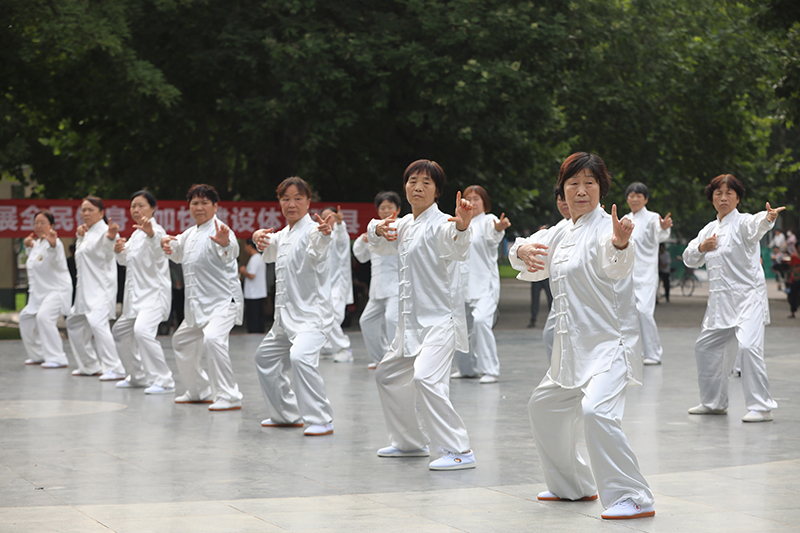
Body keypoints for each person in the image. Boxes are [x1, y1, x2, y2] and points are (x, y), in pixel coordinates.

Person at [509, 152, 655, 520]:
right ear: (563, 191)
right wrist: (522, 249)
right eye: (573, 183)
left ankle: (634, 496)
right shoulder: (560, 231)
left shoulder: (610, 227)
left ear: (601, 188)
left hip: (609, 347)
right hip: (571, 352)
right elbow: (521, 249)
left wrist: (621, 244)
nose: (581, 190)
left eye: (589, 182)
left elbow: (617, 263)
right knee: (543, 407)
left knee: (596, 412)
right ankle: (572, 485)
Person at [370, 159, 477, 471]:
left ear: (437, 192)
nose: (417, 187)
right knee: (386, 375)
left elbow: (456, 244)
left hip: (440, 322)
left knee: (426, 378)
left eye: (426, 183)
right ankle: (409, 442)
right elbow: (376, 243)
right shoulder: (403, 224)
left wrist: (463, 225)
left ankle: (459, 449)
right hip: (411, 325)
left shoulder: (443, 223)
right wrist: (376, 227)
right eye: (412, 181)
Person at [682, 174, 783, 423]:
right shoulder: (708, 229)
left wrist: (767, 218)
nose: (723, 197)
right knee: (705, 348)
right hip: (719, 303)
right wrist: (700, 248)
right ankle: (713, 402)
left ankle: (761, 406)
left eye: (729, 193)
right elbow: (688, 257)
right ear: (712, 198)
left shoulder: (744, 222)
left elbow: (756, 226)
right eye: (718, 193)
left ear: (738, 198)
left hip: (748, 299)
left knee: (748, 348)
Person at [252, 177, 337, 436]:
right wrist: (258, 237)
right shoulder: (283, 235)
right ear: (279, 203)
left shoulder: (313, 230)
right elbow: (267, 245)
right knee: (264, 357)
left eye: (298, 198)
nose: (291, 204)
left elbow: (319, 247)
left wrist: (324, 236)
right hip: (284, 320)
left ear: (308, 202)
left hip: (312, 318)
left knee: (300, 357)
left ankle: (321, 418)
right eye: (286, 198)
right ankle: (286, 415)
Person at [161, 184, 244, 411]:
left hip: (223, 303)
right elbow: (177, 252)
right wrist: (164, 243)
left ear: (215, 206)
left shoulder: (221, 230)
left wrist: (225, 242)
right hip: (197, 307)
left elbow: (231, 251)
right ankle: (199, 390)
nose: (199, 207)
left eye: (205, 202)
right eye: (195, 203)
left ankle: (229, 395)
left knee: (213, 339)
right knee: (181, 340)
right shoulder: (189, 233)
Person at [111, 191, 175, 394]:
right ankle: (137, 376)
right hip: (135, 298)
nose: (136, 210)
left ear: (153, 208)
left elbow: (159, 252)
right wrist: (119, 250)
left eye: (141, 206)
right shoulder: (136, 234)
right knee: (120, 332)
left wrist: (151, 234)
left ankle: (164, 380)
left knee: (142, 331)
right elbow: (125, 260)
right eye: (133, 207)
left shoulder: (156, 231)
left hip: (154, 295)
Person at [451, 185, 510, 383]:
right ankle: (466, 368)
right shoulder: (459, 223)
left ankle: (490, 369)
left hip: (484, 285)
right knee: (460, 328)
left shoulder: (488, 220)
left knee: (481, 322)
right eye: (469, 198)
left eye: (477, 198)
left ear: (484, 202)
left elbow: (493, 235)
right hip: (462, 285)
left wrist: (498, 228)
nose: (473, 202)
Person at [66, 196, 127, 381]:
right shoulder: (87, 232)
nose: (85, 213)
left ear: (101, 212)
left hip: (102, 289)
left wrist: (110, 238)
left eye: (90, 210)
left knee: (97, 324)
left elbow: (109, 251)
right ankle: (90, 365)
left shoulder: (106, 231)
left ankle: (115, 368)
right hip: (85, 290)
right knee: (74, 322)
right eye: (83, 210)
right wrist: (79, 237)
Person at [512, 187, 572, 364]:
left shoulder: (604, 226)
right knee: (549, 335)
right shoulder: (559, 228)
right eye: (560, 199)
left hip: (587, 298)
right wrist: (522, 250)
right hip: (561, 293)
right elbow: (524, 244)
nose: (564, 203)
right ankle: (558, 374)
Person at [623, 182, 672, 365]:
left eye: (639, 196)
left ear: (646, 199)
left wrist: (664, 227)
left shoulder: (653, 218)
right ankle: (631, 353)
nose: (634, 199)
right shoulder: (625, 219)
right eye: (631, 195)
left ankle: (653, 353)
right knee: (627, 315)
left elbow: (660, 234)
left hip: (646, 274)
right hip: (626, 274)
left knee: (644, 312)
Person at [352, 191, 401, 370]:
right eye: (383, 207)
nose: (386, 210)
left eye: (390, 207)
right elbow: (361, 256)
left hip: (396, 286)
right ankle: (380, 358)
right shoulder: (373, 230)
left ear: (398, 209)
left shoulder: (403, 227)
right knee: (366, 321)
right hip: (377, 287)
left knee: (391, 319)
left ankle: (396, 359)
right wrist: (364, 238)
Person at [19, 210, 72, 368]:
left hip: (56, 291)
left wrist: (54, 244)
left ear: (52, 226)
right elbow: (34, 261)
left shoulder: (55, 243)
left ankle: (58, 358)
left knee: (44, 318)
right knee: (25, 318)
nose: (39, 226)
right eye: (36, 223)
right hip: (39, 293)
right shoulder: (38, 244)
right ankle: (38, 355)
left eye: (43, 223)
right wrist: (27, 246)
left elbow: (56, 256)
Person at [319, 206, 354, 363]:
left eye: (330, 216)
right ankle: (327, 346)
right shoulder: (320, 238)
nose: (327, 220)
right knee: (321, 317)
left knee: (331, 319)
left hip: (338, 284)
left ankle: (344, 348)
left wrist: (340, 225)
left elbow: (340, 238)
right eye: (323, 217)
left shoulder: (340, 235)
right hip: (324, 286)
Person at [240, 238, 267, 334]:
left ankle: (254, 337)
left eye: (245, 247)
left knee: (253, 319)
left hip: (253, 294)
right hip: (258, 293)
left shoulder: (255, 259)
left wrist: (243, 271)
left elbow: (251, 275)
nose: (244, 249)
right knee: (258, 318)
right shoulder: (259, 257)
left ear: (249, 246)